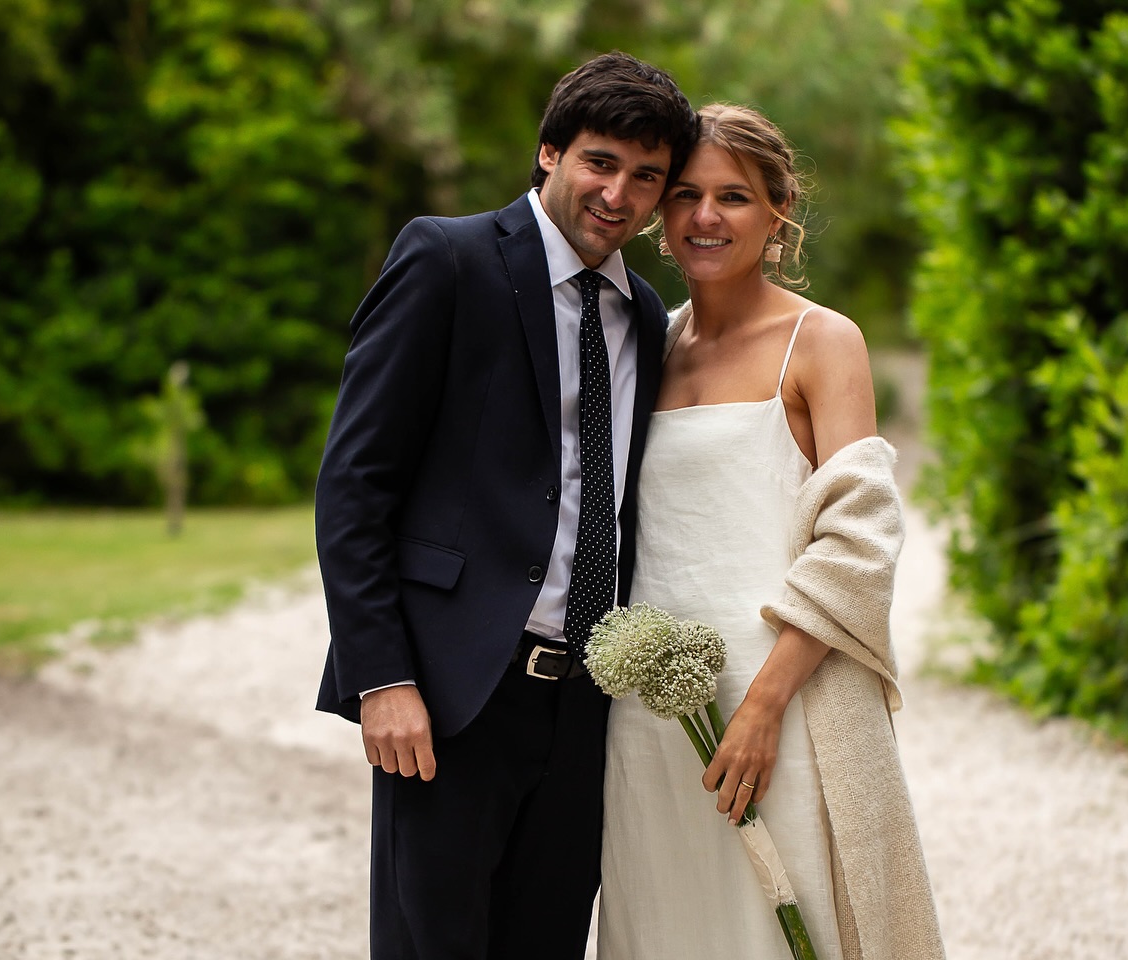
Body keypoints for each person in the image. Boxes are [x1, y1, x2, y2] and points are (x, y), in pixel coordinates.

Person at [312, 53, 697, 959]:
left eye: (648, 177)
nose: (620, 194)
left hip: (584, 706)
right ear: (549, 153)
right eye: (601, 162)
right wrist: (383, 677)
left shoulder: (642, 314)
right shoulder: (446, 260)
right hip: (453, 695)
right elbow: (355, 482)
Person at [598, 104, 945, 959]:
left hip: (785, 700)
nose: (705, 217)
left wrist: (763, 705)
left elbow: (859, 539)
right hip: (652, 710)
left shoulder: (823, 342)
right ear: (659, 213)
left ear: (777, 211)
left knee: (797, 926)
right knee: (671, 923)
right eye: (684, 194)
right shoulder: (644, 340)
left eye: (734, 197)